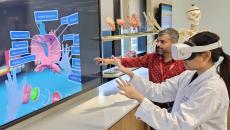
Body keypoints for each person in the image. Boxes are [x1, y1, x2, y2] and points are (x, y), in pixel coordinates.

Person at [115, 31, 230, 129]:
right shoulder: (188, 75)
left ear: (205, 56)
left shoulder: (212, 89)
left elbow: (178, 124)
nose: (182, 59)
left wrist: (140, 98)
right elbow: (159, 91)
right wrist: (130, 73)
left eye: (188, 54)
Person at [95, 28, 185, 110]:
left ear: (174, 43)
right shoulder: (152, 58)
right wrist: (110, 61)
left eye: (162, 42)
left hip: (175, 107)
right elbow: (131, 61)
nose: (158, 44)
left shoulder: (183, 62)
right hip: (153, 105)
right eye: (157, 41)